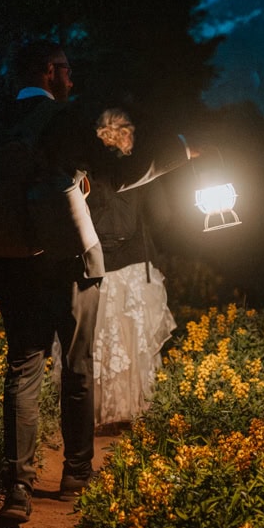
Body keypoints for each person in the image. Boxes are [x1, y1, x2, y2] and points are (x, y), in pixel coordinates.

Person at [0, 40, 104, 524]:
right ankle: (76, 474)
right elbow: (111, 171)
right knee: (77, 366)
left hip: (11, 263)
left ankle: (17, 487)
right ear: (49, 71)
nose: (71, 78)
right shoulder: (64, 119)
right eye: (66, 69)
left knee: (22, 368)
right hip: (69, 263)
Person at [81, 108, 192, 426]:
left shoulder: (86, 171)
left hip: (95, 267)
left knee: (98, 343)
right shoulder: (140, 172)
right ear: (127, 134)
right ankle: (130, 412)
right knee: (133, 342)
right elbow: (162, 216)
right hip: (133, 267)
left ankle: (92, 412)